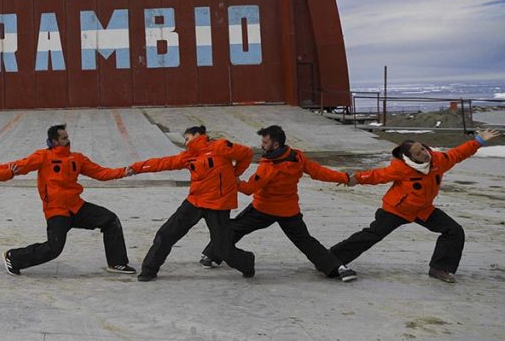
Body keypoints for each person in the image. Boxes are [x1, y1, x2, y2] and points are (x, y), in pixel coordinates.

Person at [330, 128, 501, 283]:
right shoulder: (401, 168)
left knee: (454, 231)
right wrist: (354, 179)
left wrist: (479, 140)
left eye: (423, 149)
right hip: (397, 209)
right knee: (371, 235)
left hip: (423, 209)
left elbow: (458, 153)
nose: (424, 154)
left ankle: (439, 268)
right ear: (410, 158)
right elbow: (377, 175)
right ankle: (330, 259)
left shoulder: (438, 160)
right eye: (419, 153)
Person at [199, 125, 357, 282]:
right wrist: (344, 178)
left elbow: (249, 189)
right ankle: (338, 268)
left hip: (263, 210)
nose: (262, 145)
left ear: (275, 145)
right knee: (306, 242)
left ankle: (210, 255)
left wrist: (234, 181)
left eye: (265, 142)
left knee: (233, 229)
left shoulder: (268, 167)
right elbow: (319, 172)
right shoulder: (297, 157)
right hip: (289, 211)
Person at [2, 124, 135, 276]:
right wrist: (5, 171)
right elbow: (21, 165)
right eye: (64, 138)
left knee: (110, 220)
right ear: (54, 141)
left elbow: (100, 173)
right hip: (56, 210)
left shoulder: (77, 158)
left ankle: (117, 262)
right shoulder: (43, 156)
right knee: (54, 248)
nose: (68, 140)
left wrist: (123, 172)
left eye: (67, 137)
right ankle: (13, 257)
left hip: (76, 207)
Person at [128, 125, 256, 281]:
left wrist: (235, 174)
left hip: (218, 205)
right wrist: (137, 168)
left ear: (197, 135)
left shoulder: (220, 146)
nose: (186, 143)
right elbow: (163, 163)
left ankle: (247, 262)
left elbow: (247, 154)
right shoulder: (189, 156)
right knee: (166, 234)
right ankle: (148, 270)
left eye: (187, 139)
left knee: (222, 248)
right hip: (195, 201)